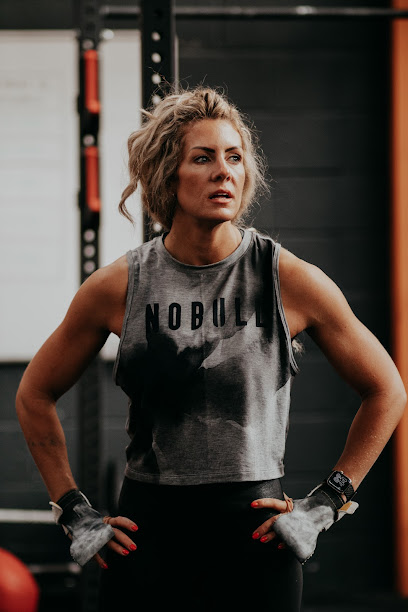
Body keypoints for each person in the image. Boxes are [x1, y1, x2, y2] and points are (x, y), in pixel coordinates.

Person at [16, 85, 406, 611]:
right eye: (203, 158)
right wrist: (73, 511)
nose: (224, 171)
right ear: (167, 175)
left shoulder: (286, 278)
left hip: (257, 539)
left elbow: (387, 390)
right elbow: (34, 394)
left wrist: (327, 502)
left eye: (234, 157)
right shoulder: (120, 285)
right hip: (148, 537)